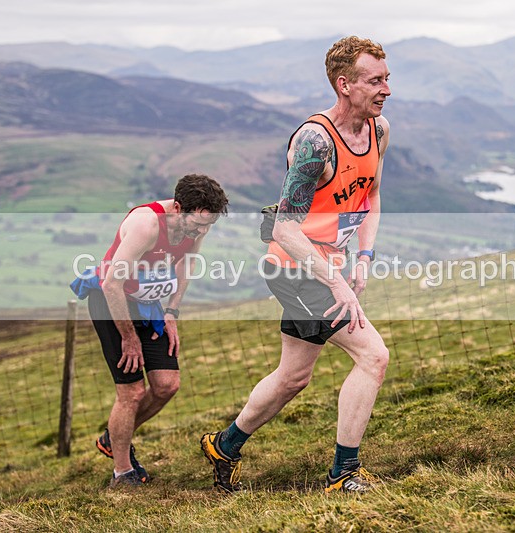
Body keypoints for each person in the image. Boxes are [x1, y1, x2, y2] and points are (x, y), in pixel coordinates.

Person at [201, 36, 391, 493]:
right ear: (344, 85)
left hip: (329, 264)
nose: (386, 89)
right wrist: (338, 285)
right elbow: (286, 228)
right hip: (294, 267)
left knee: (293, 377)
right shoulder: (314, 142)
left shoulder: (379, 130)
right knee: (373, 356)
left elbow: (372, 197)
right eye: (375, 81)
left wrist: (362, 258)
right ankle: (343, 474)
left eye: (387, 79)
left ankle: (224, 445)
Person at [71, 174, 229, 487]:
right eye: (197, 225)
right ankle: (123, 472)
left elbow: (186, 263)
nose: (201, 231)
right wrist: (129, 340)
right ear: (178, 208)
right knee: (132, 393)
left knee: (167, 384)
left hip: (149, 303)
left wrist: (172, 312)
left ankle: (113, 437)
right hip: (111, 302)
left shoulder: (196, 223)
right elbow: (112, 284)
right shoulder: (147, 224)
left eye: (208, 226)